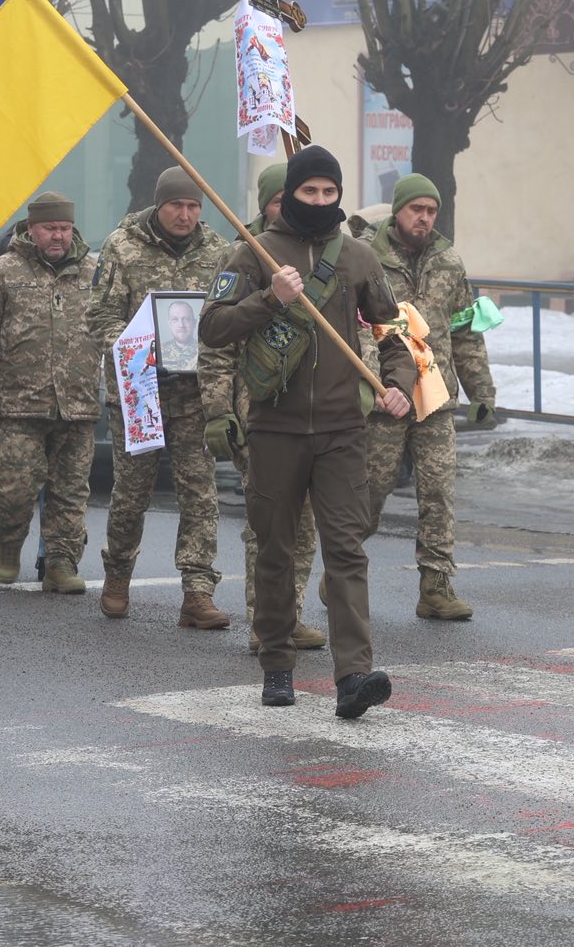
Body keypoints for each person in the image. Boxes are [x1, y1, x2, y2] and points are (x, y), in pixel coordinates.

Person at [200, 146, 416, 719]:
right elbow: (213, 327)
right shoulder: (252, 255)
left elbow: (396, 334)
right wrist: (272, 298)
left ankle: (353, 676)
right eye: (309, 192)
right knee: (275, 551)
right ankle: (276, 664)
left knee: (346, 551)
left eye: (329, 192)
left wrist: (398, 382)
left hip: (344, 430)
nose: (320, 201)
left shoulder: (361, 259)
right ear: (290, 194)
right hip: (275, 429)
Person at [85, 167, 234, 630]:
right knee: (131, 493)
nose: (186, 215)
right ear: (159, 204)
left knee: (199, 493)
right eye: (177, 206)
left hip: (195, 391)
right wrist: (134, 345)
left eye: (193, 207)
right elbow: (99, 315)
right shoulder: (122, 247)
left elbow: (227, 316)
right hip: (139, 390)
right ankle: (118, 576)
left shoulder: (219, 252)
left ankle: (197, 591)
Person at [361, 173, 497, 621]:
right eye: (416, 209)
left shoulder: (448, 262)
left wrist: (481, 390)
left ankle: (435, 587)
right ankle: (341, 565)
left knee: (438, 491)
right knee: (371, 491)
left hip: (436, 397)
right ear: (397, 210)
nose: (423, 217)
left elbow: (464, 331)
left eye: (431, 210)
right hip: (387, 396)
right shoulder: (368, 258)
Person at [201, 163, 325, 654]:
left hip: (314, 411)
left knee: (307, 521)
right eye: (281, 200)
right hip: (258, 409)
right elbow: (214, 344)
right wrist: (218, 409)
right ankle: (264, 620)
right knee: (269, 521)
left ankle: (289, 614)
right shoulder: (244, 258)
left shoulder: (321, 254)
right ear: (268, 203)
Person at [0, 191, 100, 594]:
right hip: (19, 405)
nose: (58, 236)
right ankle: (8, 544)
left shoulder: (92, 272)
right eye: (50, 228)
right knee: (14, 489)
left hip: (78, 405)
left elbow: (111, 326)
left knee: (69, 494)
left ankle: (61, 563)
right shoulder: (3, 272)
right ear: (32, 230)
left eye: (65, 229)